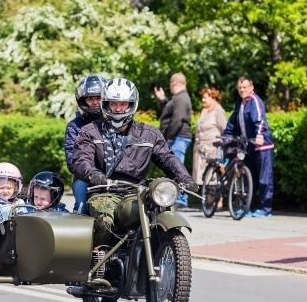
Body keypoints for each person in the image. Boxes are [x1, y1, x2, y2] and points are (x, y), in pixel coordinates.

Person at [71, 77, 196, 247]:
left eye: (123, 104)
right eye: (113, 104)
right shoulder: (90, 132)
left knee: (160, 212)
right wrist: (93, 174)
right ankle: (100, 256)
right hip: (104, 192)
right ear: (105, 104)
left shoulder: (149, 134)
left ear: (132, 104)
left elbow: (168, 158)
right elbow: (81, 160)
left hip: (138, 193)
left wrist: (185, 178)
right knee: (104, 221)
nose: (118, 108)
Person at [223, 77, 274, 217]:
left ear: (251, 88)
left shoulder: (255, 101)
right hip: (248, 147)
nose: (242, 90)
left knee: (264, 179)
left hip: (261, 147)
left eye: (244, 87)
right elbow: (233, 121)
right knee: (248, 178)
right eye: (240, 87)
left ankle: (265, 209)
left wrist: (260, 136)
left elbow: (260, 120)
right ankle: (247, 207)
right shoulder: (240, 102)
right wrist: (226, 136)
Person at [65, 74, 107, 213]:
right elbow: (72, 161)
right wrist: (92, 173)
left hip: (112, 175)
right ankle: (79, 221)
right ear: (83, 100)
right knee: (81, 205)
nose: (95, 102)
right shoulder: (74, 126)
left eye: (98, 98)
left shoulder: (114, 123)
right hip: (84, 177)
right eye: (90, 99)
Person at [154, 72, 193, 209]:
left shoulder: (181, 98)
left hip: (178, 137)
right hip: (176, 137)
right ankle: (176, 198)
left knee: (177, 168)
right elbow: (169, 113)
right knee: (173, 168)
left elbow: (177, 119)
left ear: (174, 82)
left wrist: (169, 135)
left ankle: (181, 199)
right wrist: (162, 99)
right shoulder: (178, 98)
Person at [193, 87, 228, 185]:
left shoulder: (218, 111)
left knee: (212, 181)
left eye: (205, 98)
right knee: (202, 182)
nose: (202, 100)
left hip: (212, 151)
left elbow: (225, 130)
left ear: (213, 98)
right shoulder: (205, 111)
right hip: (200, 151)